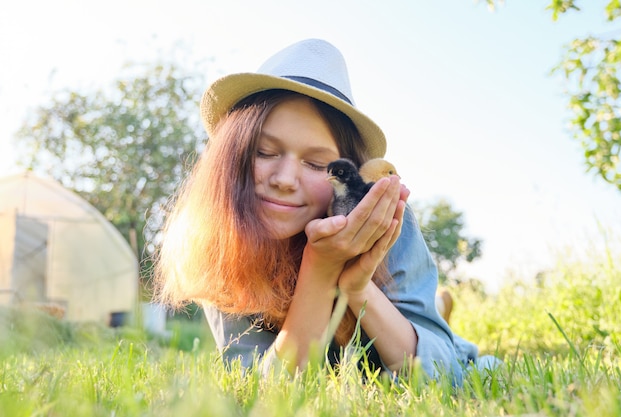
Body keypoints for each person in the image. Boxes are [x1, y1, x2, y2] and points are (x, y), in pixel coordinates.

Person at [153, 38, 495, 382]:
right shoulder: (221, 243)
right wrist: (321, 266)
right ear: (233, 157)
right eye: (265, 152)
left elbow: (443, 374)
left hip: (387, 343)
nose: (285, 180)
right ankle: (435, 306)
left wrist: (359, 287)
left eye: (317, 163)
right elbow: (266, 389)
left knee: (429, 332)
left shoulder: (389, 222)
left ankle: (433, 309)